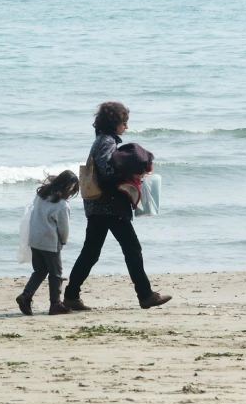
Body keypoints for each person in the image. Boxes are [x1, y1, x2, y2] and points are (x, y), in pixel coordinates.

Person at [63, 102, 172, 310]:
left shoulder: (102, 140)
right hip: (109, 206)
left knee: (91, 253)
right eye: (124, 122)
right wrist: (132, 175)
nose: (126, 127)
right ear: (115, 123)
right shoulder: (106, 141)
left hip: (99, 207)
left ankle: (71, 295)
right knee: (132, 249)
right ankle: (145, 295)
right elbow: (105, 171)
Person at [16, 170, 79, 316]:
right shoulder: (62, 205)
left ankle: (26, 295)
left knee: (40, 270)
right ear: (67, 187)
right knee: (56, 274)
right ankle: (55, 304)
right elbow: (64, 228)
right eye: (72, 189)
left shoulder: (41, 195)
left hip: (34, 238)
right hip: (50, 241)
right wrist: (63, 241)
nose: (71, 192)